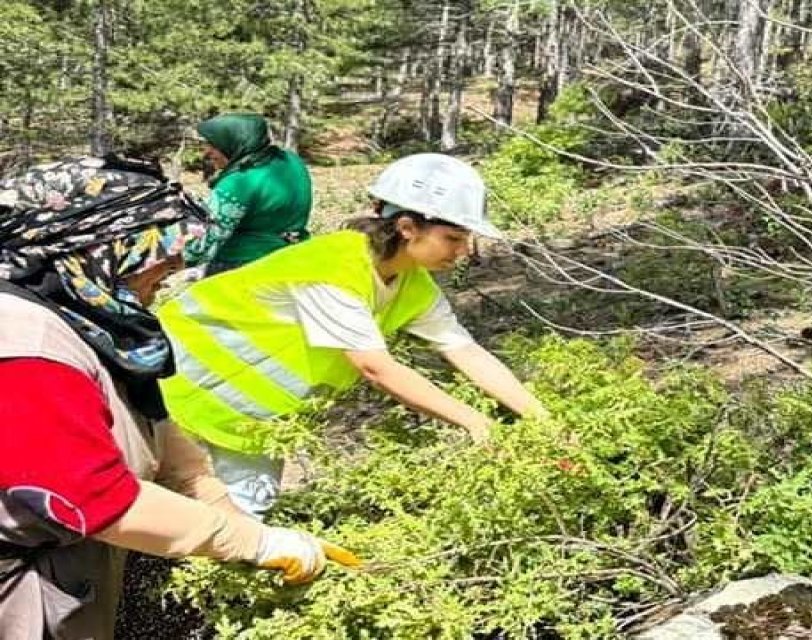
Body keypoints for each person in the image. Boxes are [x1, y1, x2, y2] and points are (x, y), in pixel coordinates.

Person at [0, 156, 359, 639]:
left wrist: (227, 511)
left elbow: (172, 454)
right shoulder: (25, 347)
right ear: (99, 249)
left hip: (71, 577)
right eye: (159, 260)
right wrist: (248, 541)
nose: (169, 273)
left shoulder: (93, 321)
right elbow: (96, 498)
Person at [158, 153, 546, 518]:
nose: (464, 251)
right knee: (144, 509)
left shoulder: (414, 286)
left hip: (247, 424)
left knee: (241, 525)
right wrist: (475, 422)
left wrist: (542, 422)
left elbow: (467, 352)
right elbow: (375, 367)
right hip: (169, 393)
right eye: (453, 238)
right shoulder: (335, 265)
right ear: (408, 227)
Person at [184, 113, 313, 276]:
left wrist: (166, 264)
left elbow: (206, 241)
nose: (206, 153)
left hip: (245, 264)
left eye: (214, 145)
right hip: (295, 253)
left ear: (233, 143)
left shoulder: (238, 182)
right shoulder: (290, 160)